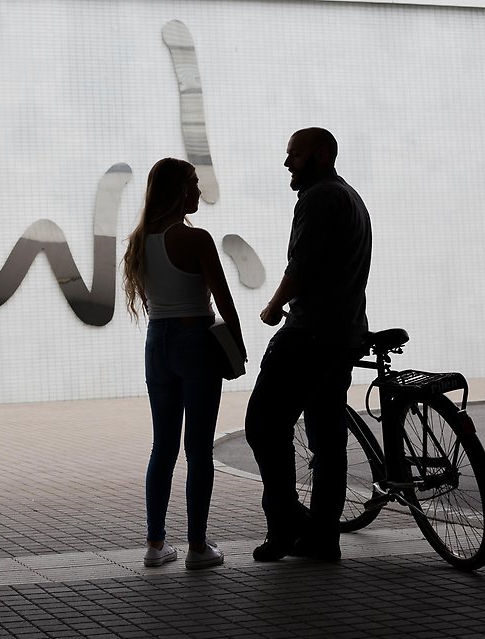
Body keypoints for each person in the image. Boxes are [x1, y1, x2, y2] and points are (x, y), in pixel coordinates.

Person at [245, 128, 372, 562]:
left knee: (263, 425)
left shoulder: (318, 198)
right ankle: (322, 537)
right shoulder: (350, 196)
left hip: (310, 332)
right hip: (343, 333)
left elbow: (301, 266)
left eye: (294, 154)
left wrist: (273, 305)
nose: (287, 163)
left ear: (321, 155)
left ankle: (285, 526)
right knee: (327, 439)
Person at [123, 157, 247, 570]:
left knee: (163, 446)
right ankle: (197, 547)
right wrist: (238, 344)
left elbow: (150, 300)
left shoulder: (139, 240)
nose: (199, 190)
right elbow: (223, 299)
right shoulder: (196, 239)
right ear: (178, 190)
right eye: (193, 183)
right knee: (198, 449)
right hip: (195, 340)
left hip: (156, 342)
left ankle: (155, 545)